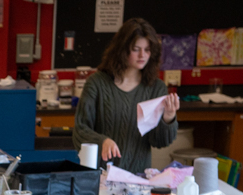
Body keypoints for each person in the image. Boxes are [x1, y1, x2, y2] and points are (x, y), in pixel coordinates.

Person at [74, 18, 180, 174]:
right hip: (101, 176)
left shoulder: (156, 88)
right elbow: (80, 130)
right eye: (136, 49)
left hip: (138, 178)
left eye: (147, 49)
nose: (142, 55)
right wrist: (102, 141)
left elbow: (159, 141)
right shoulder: (97, 83)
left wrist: (168, 118)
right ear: (122, 49)